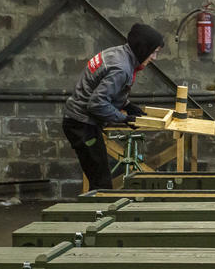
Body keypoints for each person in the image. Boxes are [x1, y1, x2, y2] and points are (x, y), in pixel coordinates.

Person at [63, 23, 164, 190]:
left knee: (99, 179)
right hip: (81, 124)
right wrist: (124, 118)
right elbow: (97, 104)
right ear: (143, 49)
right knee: (101, 184)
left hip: (80, 121)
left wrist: (127, 105)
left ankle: (96, 213)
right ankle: (96, 215)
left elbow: (103, 89)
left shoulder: (118, 53)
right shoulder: (122, 68)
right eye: (153, 52)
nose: (154, 58)